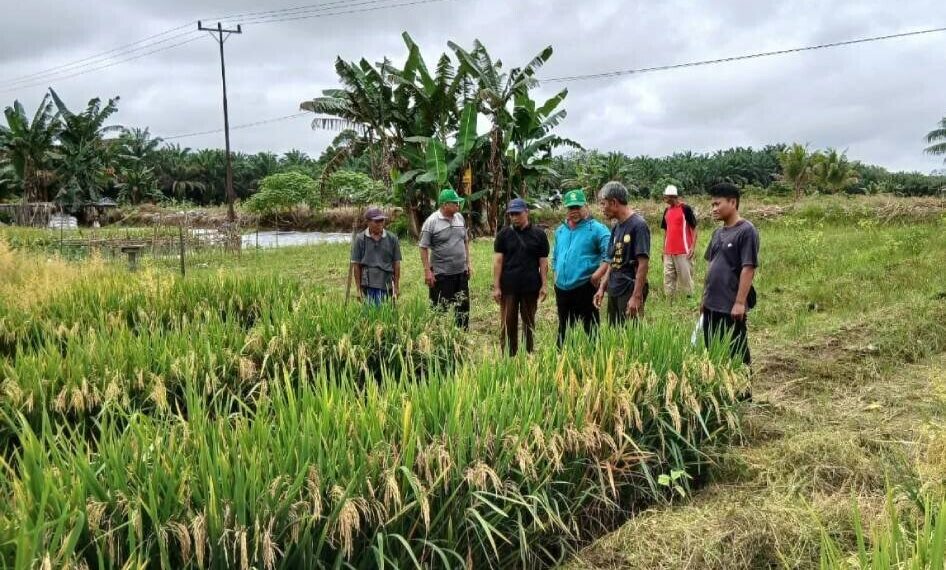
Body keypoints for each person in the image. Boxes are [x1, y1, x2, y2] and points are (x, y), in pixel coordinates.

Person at [701, 182, 759, 371]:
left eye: (717, 204)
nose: (714, 209)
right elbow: (710, 265)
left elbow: (748, 267)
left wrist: (740, 302)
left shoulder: (746, 231)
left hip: (730, 305)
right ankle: (720, 393)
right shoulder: (717, 233)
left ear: (732, 202)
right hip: (712, 304)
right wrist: (704, 298)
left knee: (737, 351)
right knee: (713, 352)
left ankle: (744, 395)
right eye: (712, 205)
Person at [551, 189, 610, 346]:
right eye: (571, 208)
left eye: (578, 207)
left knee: (591, 328)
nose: (574, 211)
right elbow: (555, 256)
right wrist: (556, 275)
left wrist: (597, 275)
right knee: (564, 328)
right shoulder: (560, 230)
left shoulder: (598, 229)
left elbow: (609, 255)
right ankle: (562, 361)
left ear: (586, 206)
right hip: (562, 288)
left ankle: (595, 359)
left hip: (585, 287)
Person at [492, 198, 549, 355]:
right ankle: (509, 356)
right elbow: (497, 262)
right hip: (508, 286)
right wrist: (496, 287)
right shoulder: (503, 235)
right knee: (507, 322)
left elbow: (543, 263)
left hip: (531, 286)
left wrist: (544, 285)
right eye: (511, 214)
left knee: (529, 322)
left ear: (526, 212)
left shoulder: (539, 235)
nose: (514, 217)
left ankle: (528, 353)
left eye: (517, 213)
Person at [594, 181, 651, 325]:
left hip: (629, 288)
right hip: (615, 287)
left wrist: (636, 296)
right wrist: (602, 288)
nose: (601, 208)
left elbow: (643, 264)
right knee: (615, 334)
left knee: (630, 335)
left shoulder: (638, 225)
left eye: (603, 203)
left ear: (614, 202)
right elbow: (613, 261)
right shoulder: (616, 226)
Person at [419, 188, 472, 329]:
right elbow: (423, 247)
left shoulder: (460, 218)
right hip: (442, 274)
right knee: (439, 308)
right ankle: (438, 335)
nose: (458, 206)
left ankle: (461, 336)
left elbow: (465, 241)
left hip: (461, 273)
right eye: (455, 203)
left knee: (463, 308)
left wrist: (468, 263)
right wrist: (427, 271)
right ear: (444, 205)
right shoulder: (431, 222)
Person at [350, 206, 401, 305]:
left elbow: (396, 264)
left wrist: (396, 286)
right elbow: (356, 266)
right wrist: (358, 289)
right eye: (376, 221)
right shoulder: (360, 239)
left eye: (382, 220)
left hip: (386, 282)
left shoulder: (392, 238)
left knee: (386, 313)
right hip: (368, 283)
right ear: (368, 222)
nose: (380, 224)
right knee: (369, 314)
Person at [660, 184, 698, 298]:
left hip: (683, 251)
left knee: (685, 279)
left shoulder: (685, 209)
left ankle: (689, 301)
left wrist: (692, 247)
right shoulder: (666, 211)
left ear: (672, 197)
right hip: (669, 251)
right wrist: (663, 249)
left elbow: (694, 228)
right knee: (668, 278)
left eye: (666, 197)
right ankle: (669, 301)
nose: (665, 199)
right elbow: (666, 231)